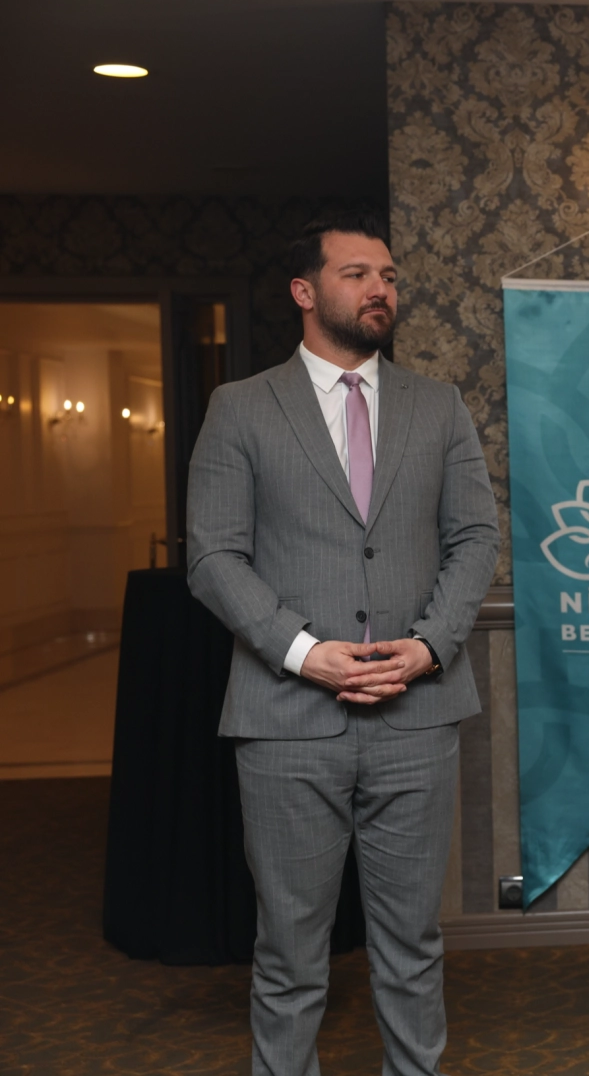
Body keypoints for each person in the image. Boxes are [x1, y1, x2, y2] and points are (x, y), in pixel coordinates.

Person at [187, 212, 499, 1076]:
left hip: (417, 716)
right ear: (304, 291)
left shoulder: (438, 406)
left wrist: (429, 647)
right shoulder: (240, 408)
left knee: (412, 945)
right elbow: (212, 556)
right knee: (290, 953)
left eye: (388, 276)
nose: (379, 289)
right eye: (357, 273)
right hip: (286, 719)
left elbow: (475, 537)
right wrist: (302, 651)